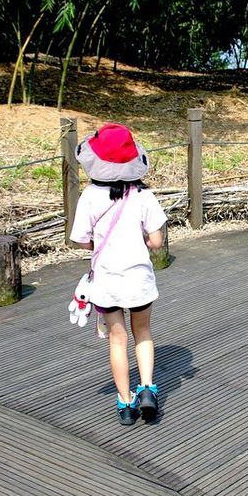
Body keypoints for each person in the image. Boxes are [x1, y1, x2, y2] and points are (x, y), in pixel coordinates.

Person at [70, 123, 168, 425]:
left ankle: (125, 402)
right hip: (138, 277)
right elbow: (156, 241)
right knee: (143, 333)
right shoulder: (143, 195)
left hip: (107, 279)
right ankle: (147, 388)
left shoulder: (89, 196)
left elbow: (80, 240)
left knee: (117, 338)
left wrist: (98, 242)